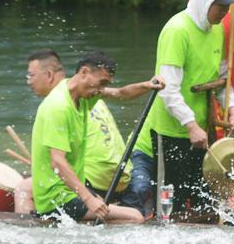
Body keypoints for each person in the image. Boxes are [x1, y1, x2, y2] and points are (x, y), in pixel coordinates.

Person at [128, 0, 234, 219]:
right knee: (169, 202)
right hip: (172, 129)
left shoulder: (218, 30)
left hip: (203, 130)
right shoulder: (177, 30)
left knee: (201, 198)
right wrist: (191, 125)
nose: (224, 13)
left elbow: (223, 82)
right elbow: (167, 90)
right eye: (220, 7)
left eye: (227, 7)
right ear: (204, 1)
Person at [15, 49, 164, 215]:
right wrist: (88, 198)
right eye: (102, 83)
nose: (102, 89)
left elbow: (121, 93)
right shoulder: (58, 107)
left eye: (105, 84)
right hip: (57, 197)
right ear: (84, 72)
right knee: (135, 216)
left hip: (71, 189)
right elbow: (57, 162)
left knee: (108, 208)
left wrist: (147, 86)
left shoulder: (81, 95)